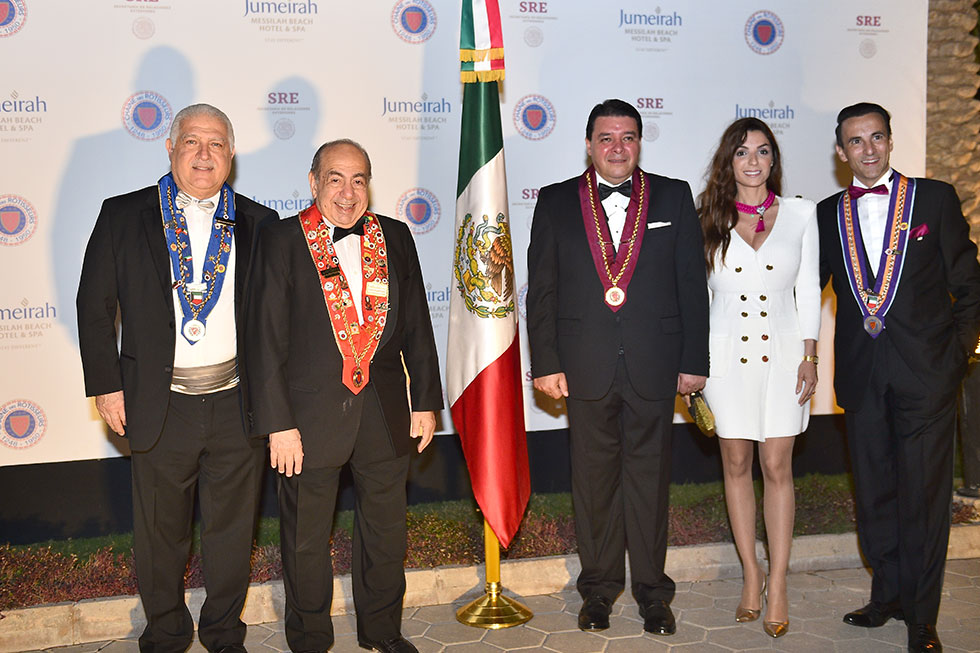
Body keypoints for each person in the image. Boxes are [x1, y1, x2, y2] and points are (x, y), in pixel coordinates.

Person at [76, 104, 274, 653]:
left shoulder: (261, 223)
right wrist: (106, 385)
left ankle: (224, 633)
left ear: (231, 155)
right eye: (192, 142)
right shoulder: (122, 215)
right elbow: (94, 306)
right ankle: (165, 633)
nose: (204, 154)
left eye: (216, 144)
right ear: (170, 148)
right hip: (159, 404)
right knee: (160, 534)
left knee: (232, 534)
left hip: (238, 405)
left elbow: (277, 319)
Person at [245, 140, 442, 653]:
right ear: (314, 182)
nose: (348, 192)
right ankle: (311, 638)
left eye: (359, 180)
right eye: (335, 179)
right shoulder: (281, 239)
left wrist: (425, 401)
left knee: (386, 532)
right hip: (306, 419)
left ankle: (383, 630)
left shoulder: (394, 236)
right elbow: (264, 339)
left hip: (384, 411)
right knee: (306, 538)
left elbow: (417, 323)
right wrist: (277, 424)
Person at [527, 99, 709, 635]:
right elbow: (542, 289)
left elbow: (691, 285)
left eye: (628, 137)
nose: (617, 148)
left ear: (639, 143)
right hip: (583, 366)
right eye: (606, 138)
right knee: (593, 485)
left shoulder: (673, 195)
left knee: (650, 484)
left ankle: (654, 594)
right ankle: (598, 591)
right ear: (589, 144)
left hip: (656, 363)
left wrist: (694, 360)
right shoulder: (555, 201)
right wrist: (546, 362)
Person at [818, 102, 980, 653]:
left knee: (925, 500)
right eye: (855, 141)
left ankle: (922, 616)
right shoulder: (826, 214)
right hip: (862, 378)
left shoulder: (934, 199)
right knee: (874, 496)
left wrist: (958, 357)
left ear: (890, 141)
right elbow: (801, 289)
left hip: (928, 377)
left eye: (876, 138)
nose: (868, 149)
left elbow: (969, 285)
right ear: (841, 152)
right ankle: (886, 596)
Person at [697, 117, 820, 638]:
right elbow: (696, 299)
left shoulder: (801, 214)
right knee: (736, 461)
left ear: (774, 160)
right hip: (725, 361)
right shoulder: (706, 217)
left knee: (776, 464)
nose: (753, 161)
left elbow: (808, 289)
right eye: (743, 151)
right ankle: (751, 573)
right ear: (729, 161)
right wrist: (692, 366)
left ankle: (780, 580)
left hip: (786, 356)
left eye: (763, 151)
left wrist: (811, 355)